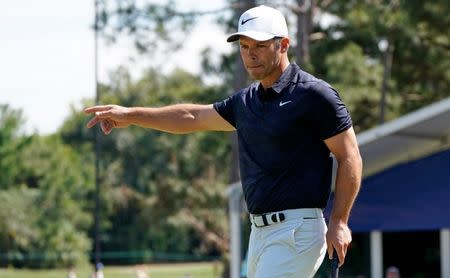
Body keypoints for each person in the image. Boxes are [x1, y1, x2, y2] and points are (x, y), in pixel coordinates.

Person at [85, 5, 362, 278]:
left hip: (297, 231)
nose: (250, 54)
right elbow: (191, 116)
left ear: (284, 44)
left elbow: (349, 156)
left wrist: (339, 221)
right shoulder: (245, 102)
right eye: (244, 46)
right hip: (259, 235)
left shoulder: (314, 95)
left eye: (260, 45)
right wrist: (131, 115)